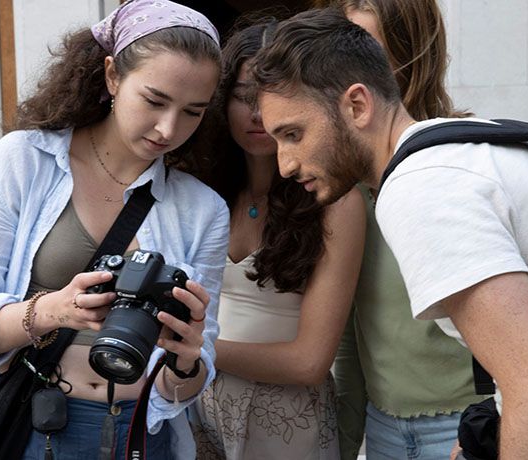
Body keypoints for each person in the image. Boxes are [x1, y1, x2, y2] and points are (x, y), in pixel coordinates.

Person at [251, 8, 528, 460]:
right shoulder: (455, 147)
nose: (285, 164)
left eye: (294, 133)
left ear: (357, 105)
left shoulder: (421, 187)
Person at [0, 1, 229, 459]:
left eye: (193, 112)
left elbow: (187, 386)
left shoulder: (203, 209)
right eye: (155, 101)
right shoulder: (21, 162)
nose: (168, 128)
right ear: (113, 75)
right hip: (33, 427)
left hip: (143, 435)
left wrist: (188, 357)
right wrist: (54, 311)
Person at [309, 1, 485, 458]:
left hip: (466, 423)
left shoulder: (464, 160)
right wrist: (346, 441)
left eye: (369, 50)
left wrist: (493, 425)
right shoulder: (348, 178)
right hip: (382, 427)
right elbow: (352, 331)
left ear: (413, 55)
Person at [187, 18, 365, 459]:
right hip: (198, 402)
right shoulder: (204, 190)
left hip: (286, 418)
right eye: (244, 96)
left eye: (275, 99)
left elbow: (310, 362)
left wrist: (198, 347)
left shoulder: (336, 200)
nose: (258, 114)